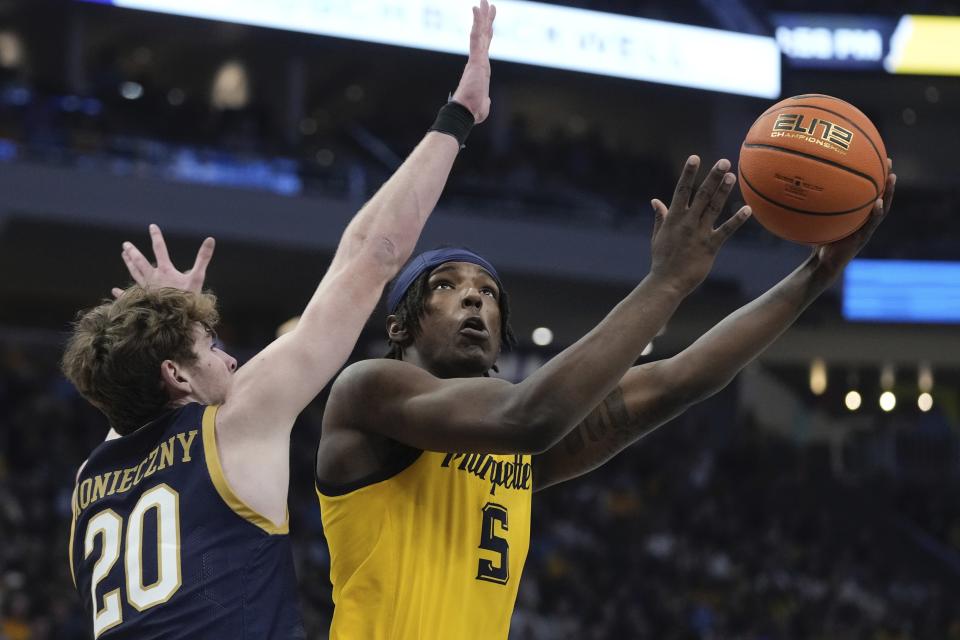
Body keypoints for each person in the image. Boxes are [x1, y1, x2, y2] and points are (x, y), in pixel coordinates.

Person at [314, 155, 896, 639]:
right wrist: (666, 282)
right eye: (446, 286)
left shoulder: (507, 447)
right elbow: (529, 415)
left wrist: (815, 275)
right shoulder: (368, 390)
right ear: (398, 327)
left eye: (488, 293)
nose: (474, 300)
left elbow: (679, 380)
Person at [63, 3, 498, 637]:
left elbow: (125, 392)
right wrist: (458, 115)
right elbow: (372, 254)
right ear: (175, 377)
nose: (230, 359)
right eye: (210, 349)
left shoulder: (88, 482)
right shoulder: (237, 422)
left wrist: (168, 315)